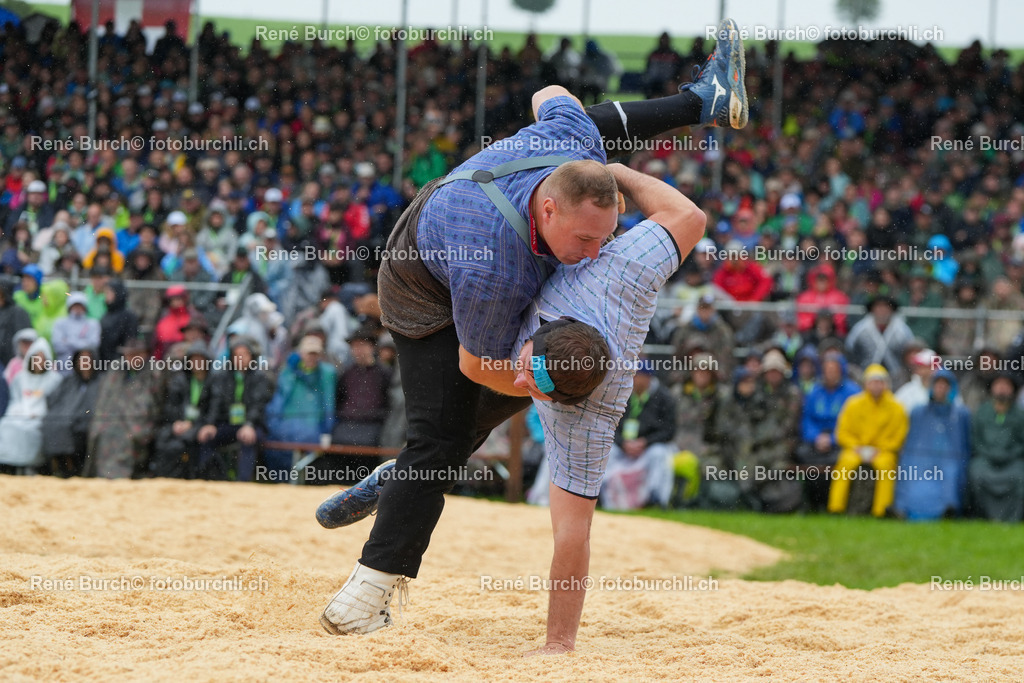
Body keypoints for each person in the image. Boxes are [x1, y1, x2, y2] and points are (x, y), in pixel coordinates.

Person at [317, 19, 745, 643]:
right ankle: (363, 596)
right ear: (549, 207)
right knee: (435, 444)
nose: (598, 251)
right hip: (423, 288)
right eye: (584, 238)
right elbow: (472, 366)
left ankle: (700, 103)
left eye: (607, 237)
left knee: (444, 441)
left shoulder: (607, 247)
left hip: (533, 239)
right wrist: (532, 380)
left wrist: (599, 158)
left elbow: (552, 95)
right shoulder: (501, 272)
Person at [828, 364, 909, 517]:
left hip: (883, 451)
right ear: (865, 384)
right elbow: (842, 432)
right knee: (845, 464)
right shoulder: (853, 404)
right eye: (872, 382)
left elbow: (899, 437)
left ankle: (882, 510)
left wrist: (880, 449)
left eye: (880, 382)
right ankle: (836, 507)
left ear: (886, 384)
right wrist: (856, 446)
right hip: (856, 449)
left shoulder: (897, 407)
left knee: (886, 467)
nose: (876, 386)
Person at [892, 370, 971, 520]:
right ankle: (903, 508)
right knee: (910, 471)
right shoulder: (918, 412)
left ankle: (948, 509)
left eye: (944, 385)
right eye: (938, 385)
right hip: (920, 458)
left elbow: (963, 445)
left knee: (951, 473)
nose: (940, 389)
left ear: (951, 388)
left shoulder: (961, 414)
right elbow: (913, 441)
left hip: (949, 458)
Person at [599, 361, 677, 511]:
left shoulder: (664, 398)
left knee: (659, 454)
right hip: (625, 447)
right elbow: (610, 426)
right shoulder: (622, 395)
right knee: (607, 452)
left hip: (649, 447)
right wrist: (623, 443)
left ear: (648, 377)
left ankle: (656, 498)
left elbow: (669, 431)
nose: (633, 379)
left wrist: (646, 442)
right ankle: (602, 497)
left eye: (637, 376)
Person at [196, 336, 274, 481]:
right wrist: (210, 424)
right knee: (206, 437)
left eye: (244, 354)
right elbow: (215, 401)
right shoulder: (222, 376)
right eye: (237, 355)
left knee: (248, 438)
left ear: (251, 356)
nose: (241, 358)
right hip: (228, 423)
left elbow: (258, 405)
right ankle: (209, 479)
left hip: (252, 424)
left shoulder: (260, 377)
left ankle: (243, 482)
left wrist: (249, 424)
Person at [85, 337, 161, 478]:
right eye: (128, 354)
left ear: (145, 354)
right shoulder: (116, 370)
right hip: (112, 418)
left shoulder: (153, 372)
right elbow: (105, 399)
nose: (131, 358)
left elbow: (155, 404)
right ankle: (101, 475)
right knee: (100, 432)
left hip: (138, 422)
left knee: (124, 436)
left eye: (135, 354)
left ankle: (117, 476)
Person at [264, 335, 337, 481]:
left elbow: (328, 404)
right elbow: (281, 398)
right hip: (286, 425)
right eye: (309, 353)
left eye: (315, 354)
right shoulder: (289, 371)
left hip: (311, 427)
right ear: (301, 353)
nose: (311, 357)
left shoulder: (326, 374)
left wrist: (326, 430)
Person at [150, 342, 214, 479]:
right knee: (164, 436)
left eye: (200, 359)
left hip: (202, 424)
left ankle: (191, 477)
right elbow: (171, 406)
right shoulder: (181, 380)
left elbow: (214, 409)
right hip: (181, 423)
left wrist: (195, 423)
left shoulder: (213, 381)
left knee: (187, 440)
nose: (196, 363)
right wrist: (177, 422)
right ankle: (162, 476)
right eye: (193, 359)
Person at [0, 337, 63, 473]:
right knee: (7, 426)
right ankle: (9, 466)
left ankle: (33, 465)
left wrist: (39, 412)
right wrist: (18, 411)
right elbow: (15, 399)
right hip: (19, 414)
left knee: (32, 430)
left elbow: (54, 404)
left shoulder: (54, 379)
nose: (38, 362)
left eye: (41, 358)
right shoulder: (20, 378)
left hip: (40, 417)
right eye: (36, 358)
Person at [968, 374, 1024, 522]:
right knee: (976, 474)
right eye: (999, 385)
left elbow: (1021, 442)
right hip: (986, 459)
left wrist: (1008, 455)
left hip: (1012, 461)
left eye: (1006, 385)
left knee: (1020, 477)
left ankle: (1014, 518)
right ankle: (982, 517)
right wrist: (989, 454)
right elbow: (976, 440)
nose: (1002, 389)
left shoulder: (1020, 414)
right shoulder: (982, 412)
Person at [41, 347, 102, 477]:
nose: (84, 363)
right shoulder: (69, 381)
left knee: (75, 428)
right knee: (51, 423)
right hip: (65, 417)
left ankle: (74, 467)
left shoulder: (100, 382)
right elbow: (53, 399)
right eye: (81, 360)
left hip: (87, 421)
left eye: (87, 360)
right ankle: (59, 465)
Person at [50, 292, 101, 374]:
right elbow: (57, 345)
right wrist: (82, 342)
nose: (77, 308)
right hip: (64, 369)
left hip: (85, 370)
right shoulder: (60, 323)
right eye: (75, 305)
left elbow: (93, 345)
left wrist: (68, 341)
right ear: (69, 307)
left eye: (80, 305)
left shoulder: (92, 324)